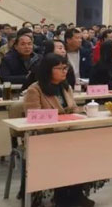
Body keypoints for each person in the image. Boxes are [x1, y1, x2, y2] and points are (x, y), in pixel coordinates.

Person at [23, 54, 98, 207]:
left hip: (68, 133)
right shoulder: (35, 89)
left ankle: (76, 193)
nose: (64, 71)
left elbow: (73, 108)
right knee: (65, 152)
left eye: (66, 68)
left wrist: (79, 113)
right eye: (60, 68)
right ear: (47, 70)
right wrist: (61, 118)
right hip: (45, 136)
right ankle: (62, 196)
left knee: (86, 149)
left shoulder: (65, 86)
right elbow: (33, 117)